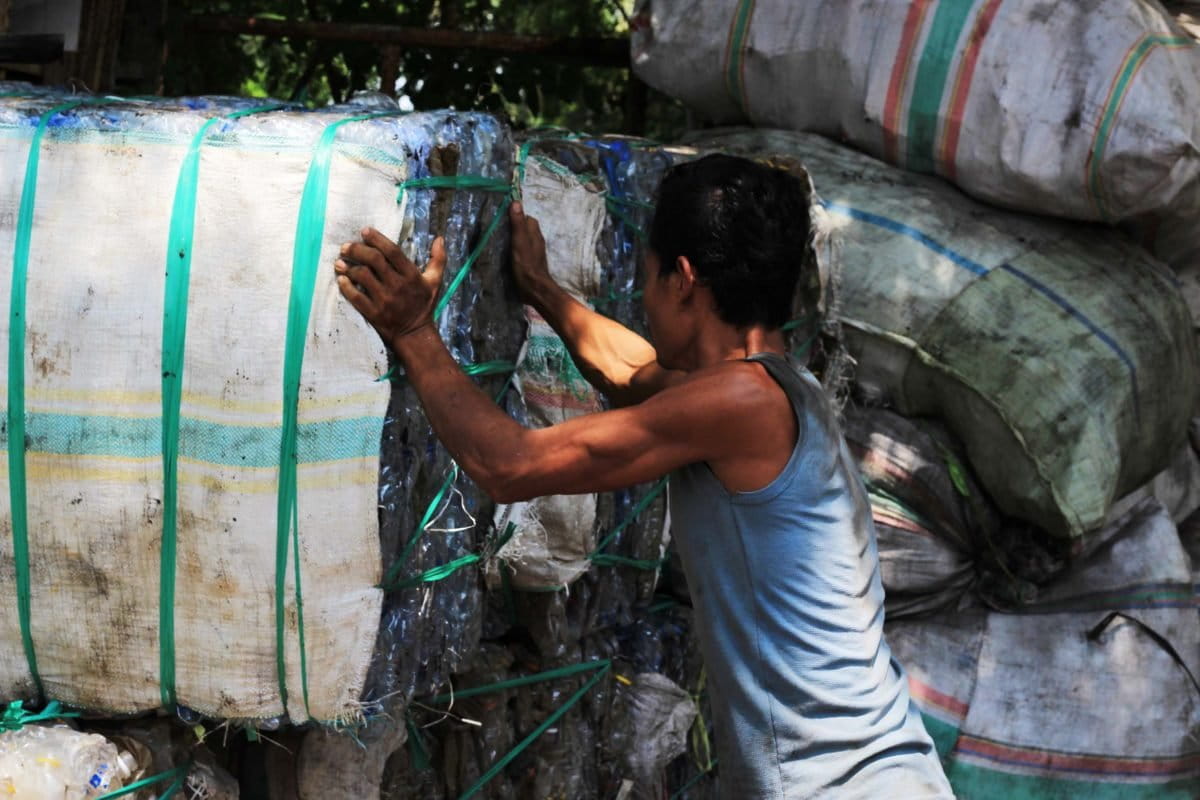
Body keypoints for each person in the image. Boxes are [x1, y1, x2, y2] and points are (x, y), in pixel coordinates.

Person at [335, 154, 953, 798]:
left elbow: (509, 467)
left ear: (683, 279)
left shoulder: (740, 404)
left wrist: (412, 329)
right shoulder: (781, 388)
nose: (646, 297)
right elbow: (633, 374)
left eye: (650, 276)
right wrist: (543, 289)